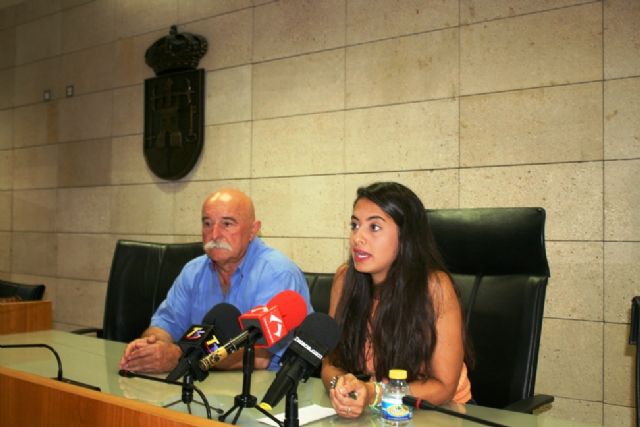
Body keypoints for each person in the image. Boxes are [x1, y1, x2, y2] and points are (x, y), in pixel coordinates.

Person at [321, 182, 472, 419]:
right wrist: (342, 386)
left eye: (374, 227)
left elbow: (444, 387)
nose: (357, 238)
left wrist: (375, 394)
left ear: (405, 236)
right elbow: (330, 364)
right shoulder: (344, 280)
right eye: (355, 225)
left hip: (441, 412)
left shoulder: (435, 288)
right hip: (376, 413)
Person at [119, 188, 312, 374]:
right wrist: (151, 346)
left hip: (267, 387)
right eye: (207, 223)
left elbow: (259, 356)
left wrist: (180, 356)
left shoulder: (277, 274)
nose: (214, 234)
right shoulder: (193, 271)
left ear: (253, 230)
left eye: (227, 224)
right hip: (204, 380)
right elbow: (165, 324)